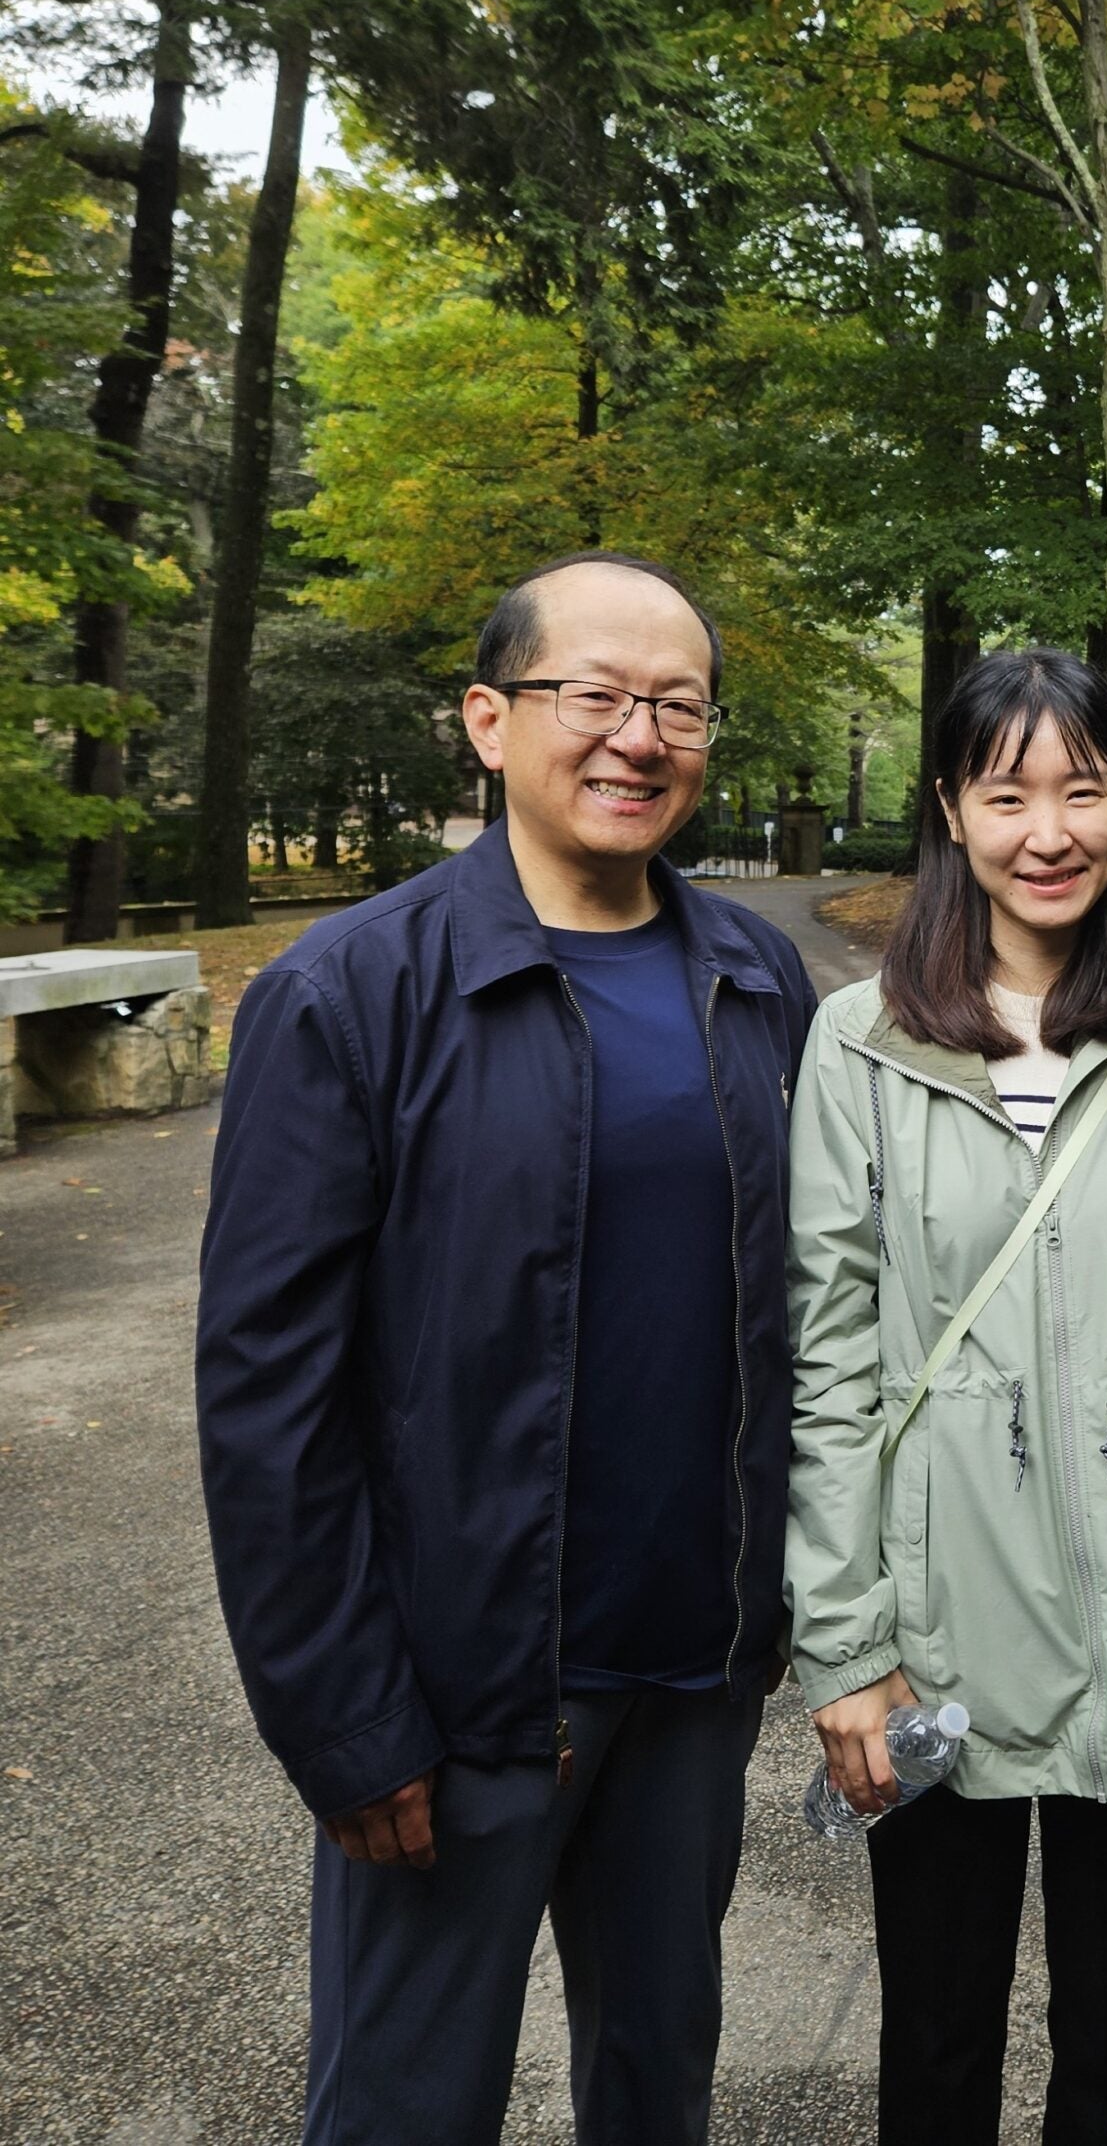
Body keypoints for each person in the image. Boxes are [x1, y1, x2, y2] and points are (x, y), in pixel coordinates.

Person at [196, 552, 818, 2145]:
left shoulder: (758, 980)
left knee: (656, 2084)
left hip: (689, 1668)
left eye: (677, 705)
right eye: (594, 696)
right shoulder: (352, 991)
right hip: (460, 1690)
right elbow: (269, 1393)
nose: (638, 736)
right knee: (406, 2103)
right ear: (490, 719)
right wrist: (343, 1715)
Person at [785, 647, 1107, 2146]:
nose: (1048, 829)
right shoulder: (861, 1043)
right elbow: (831, 1359)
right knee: (935, 2045)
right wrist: (845, 1642)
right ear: (950, 807)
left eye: (1084, 787)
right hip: (937, 1635)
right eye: (1008, 793)